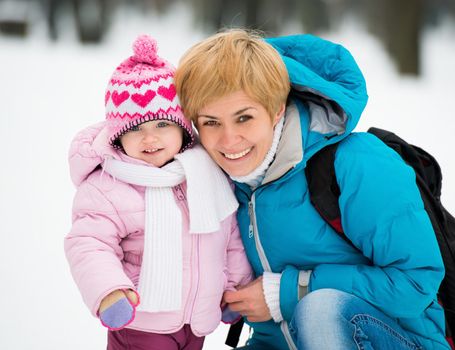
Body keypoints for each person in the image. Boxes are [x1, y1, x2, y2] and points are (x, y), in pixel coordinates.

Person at [174, 29, 450, 350]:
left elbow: (416, 282)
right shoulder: (229, 187)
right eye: (211, 122)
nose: (228, 140)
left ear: (277, 109)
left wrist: (290, 292)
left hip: (402, 340)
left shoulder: (357, 162)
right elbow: (271, 333)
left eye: (244, 118)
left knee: (321, 311)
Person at [64, 34, 252, 350]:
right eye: (135, 129)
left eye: (162, 125)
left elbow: (227, 234)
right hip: (141, 324)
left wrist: (234, 287)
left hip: (197, 323)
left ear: (182, 128)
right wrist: (110, 291)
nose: (150, 139)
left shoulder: (204, 175)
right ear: (117, 136)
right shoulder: (108, 185)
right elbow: (89, 244)